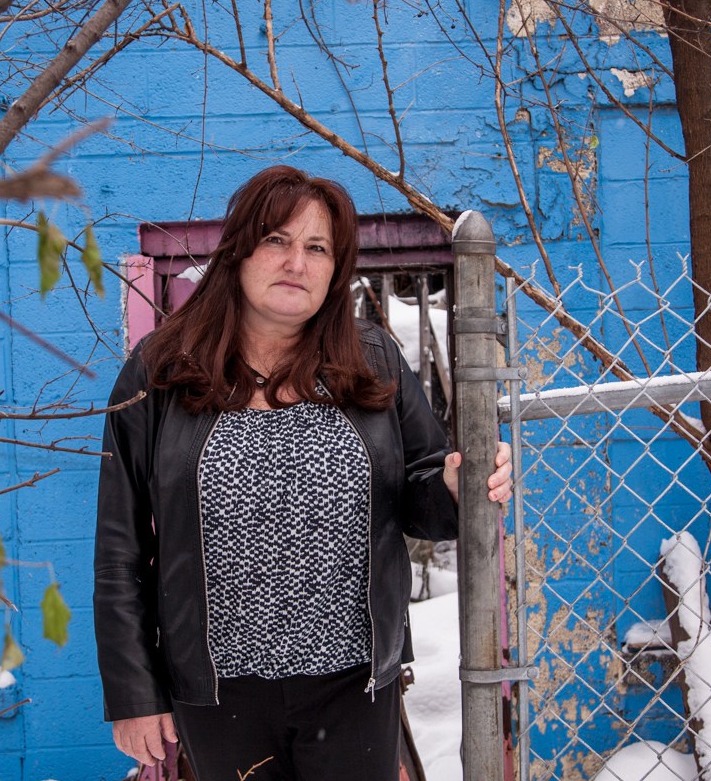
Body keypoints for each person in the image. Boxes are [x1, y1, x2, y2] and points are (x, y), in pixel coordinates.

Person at [94, 165, 514, 781]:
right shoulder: (161, 371)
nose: (297, 262)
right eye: (277, 240)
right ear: (238, 252)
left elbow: (421, 492)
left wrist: (455, 486)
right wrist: (134, 692)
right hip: (218, 693)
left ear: (335, 269)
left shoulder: (372, 360)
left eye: (318, 248)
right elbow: (119, 545)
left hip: (352, 686)